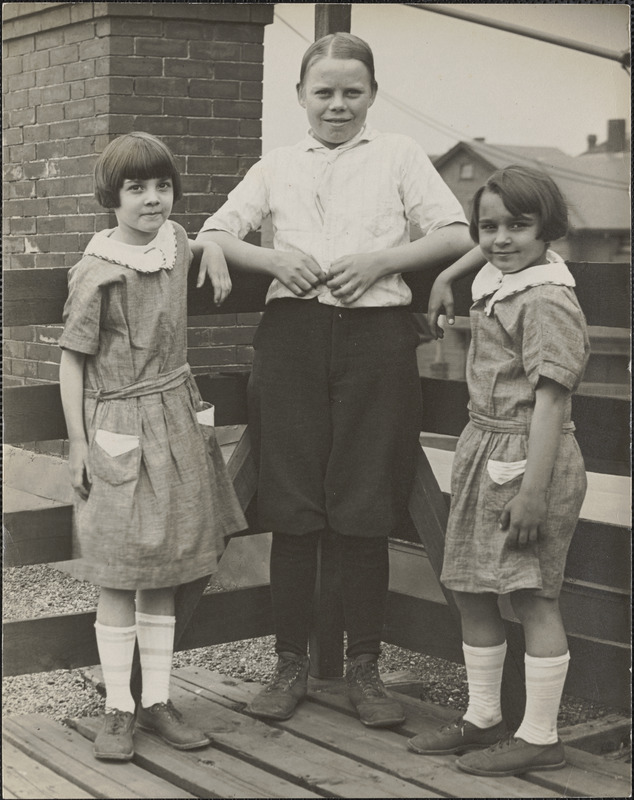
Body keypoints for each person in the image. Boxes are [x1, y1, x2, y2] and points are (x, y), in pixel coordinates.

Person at [196, 33, 472, 728]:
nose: (338, 105)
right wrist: (270, 259)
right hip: (291, 343)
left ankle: (365, 671)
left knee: (365, 508)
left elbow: (456, 232)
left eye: (353, 92)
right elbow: (215, 230)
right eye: (324, 92)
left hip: (376, 344)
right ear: (300, 97)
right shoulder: (277, 164)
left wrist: (385, 262)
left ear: (373, 95)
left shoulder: (400, 156)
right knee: (290, 507)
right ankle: (289, 666)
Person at [59, 131, 247, 761]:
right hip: (117, 425)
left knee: (166, 565)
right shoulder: (97, 273)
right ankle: (118, 708)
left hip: (176, 417)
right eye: (136, 188)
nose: (153, 199)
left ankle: (159, 699)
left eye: (162, 186)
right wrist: (78, 443)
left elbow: (210, 234)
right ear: (110, 197)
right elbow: (71, 363)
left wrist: (216, 248)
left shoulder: (179, 243)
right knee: (119, 571)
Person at [407, 165, 590, 776]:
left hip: (528, 457)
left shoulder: (545, 300)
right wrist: (446, 272)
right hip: (484, 447)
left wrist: (534, 492)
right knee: (470, 585)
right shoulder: (500, 277)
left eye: (519, 225)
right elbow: (483, 257)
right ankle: (484, 717)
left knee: (532, 594)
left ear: (549, 230)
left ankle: (540, 735)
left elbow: (552, 399)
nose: (502, 239)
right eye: (489, 227)